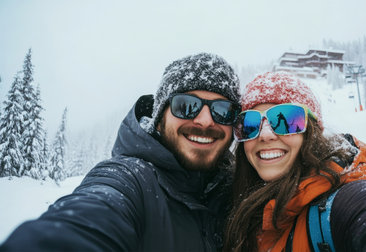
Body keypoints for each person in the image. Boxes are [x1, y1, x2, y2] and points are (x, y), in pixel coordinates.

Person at [0, 53, 241, 251]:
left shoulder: (238, 191)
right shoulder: (130, 180)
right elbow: (89, 219)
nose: (206, 120)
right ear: (159, 118)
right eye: (186, 106)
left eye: (223, 110)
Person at [223, 72, 366, 252]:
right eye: (250, 124)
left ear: (311, 133)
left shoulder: (344, 202)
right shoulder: (238, 206)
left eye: (286, 120)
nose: (265, 135)